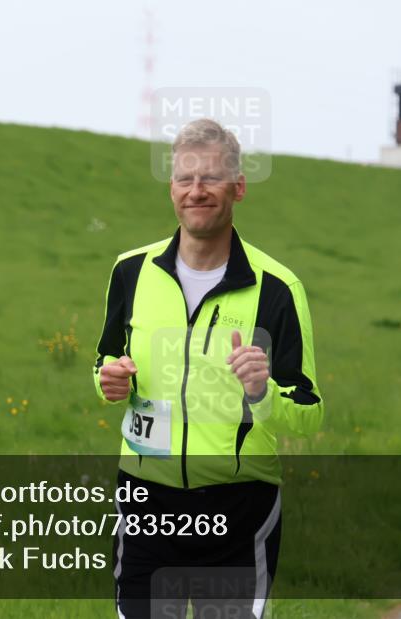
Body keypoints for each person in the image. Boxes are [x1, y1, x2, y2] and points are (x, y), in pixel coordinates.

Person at [93, 118, 323, 618]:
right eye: (184, 179)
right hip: (145, 502)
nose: (196, 191)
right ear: (171, 188)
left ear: (238, 187)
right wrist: (108, 382)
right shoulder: (130, 271)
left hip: (238, 506)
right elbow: (106, 362)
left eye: (211, 179)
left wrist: (262, 393)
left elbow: (308, 412)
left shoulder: (277, 289)